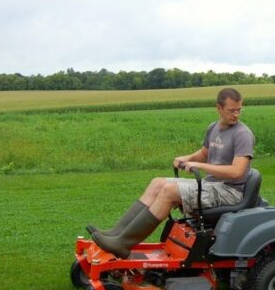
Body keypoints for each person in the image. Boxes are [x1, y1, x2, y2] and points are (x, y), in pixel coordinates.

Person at [88, 87, 255, 258]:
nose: (236, 115)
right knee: (157, 183)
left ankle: (124, 244)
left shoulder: (242, 134)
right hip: (212, 185)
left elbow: (237, 172)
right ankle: (116, 234)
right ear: (218, 108)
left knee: (169, 191)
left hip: (230, 191)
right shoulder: (213, 128)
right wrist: (187, 158)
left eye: (239, 110)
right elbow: (205, 153)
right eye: (231, 110)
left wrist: (199, 165)